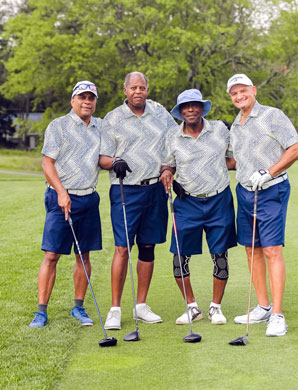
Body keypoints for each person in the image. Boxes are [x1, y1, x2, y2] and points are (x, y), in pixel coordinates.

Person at [226, 73, 298, 336]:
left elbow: (295, 149)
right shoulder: (235, 125)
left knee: (271, 250)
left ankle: (278, 315)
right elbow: (234, 161)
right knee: (250, 249)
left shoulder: (273, 115)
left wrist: (269, 172)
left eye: (243, 91)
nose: (239, 96)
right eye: (234, 93)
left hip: (272, 189)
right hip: (246, 191)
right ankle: (263, 306)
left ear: (254, 90)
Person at [99, 71, 177, 330]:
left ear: (147, 89)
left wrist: (168, 167)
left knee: (148, 247)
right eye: (133, 88)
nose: (138, 92)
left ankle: (141, 306)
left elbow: (174, 144)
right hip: (126, 190)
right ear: (125, 91)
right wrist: (115, 161)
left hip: (155, 189)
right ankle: (115, 309)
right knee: (123, 248)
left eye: (142, 87)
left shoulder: (161, 114)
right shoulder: (112, 119)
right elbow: (103, 157)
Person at [160, 89, 237, 325]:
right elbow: (168, 165)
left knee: (220, 255)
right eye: (185, 106)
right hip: (186, 202)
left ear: (202, 108)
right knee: (179, 257)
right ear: (180, 111)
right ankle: (192, 307)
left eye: (194, 105)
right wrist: (166, 172)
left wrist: (215, 169)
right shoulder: (172, 136)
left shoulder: (220, 130)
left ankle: (216, 307)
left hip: (219, 199)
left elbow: (234, 158)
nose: (190, 109)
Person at [29, 81, 102, 328]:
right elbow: (47, 163)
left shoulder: (101, 126)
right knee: (52, 254)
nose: (87, 102)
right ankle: (41, 312)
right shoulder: (58, 126)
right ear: (73, 100)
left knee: (84, 254)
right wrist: (61, 192)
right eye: (82, 97)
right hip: (61, 198)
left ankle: (78, 308)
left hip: (89, 197)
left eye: (91, 98)